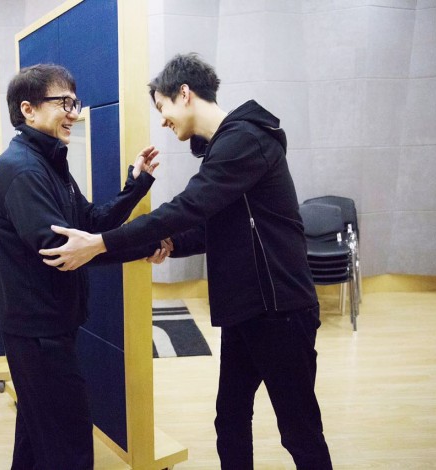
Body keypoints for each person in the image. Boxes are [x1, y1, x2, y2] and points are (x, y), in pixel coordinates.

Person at [38, 53, 333, 469]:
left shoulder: (245, 141)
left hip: (280, 310)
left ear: (185, 93)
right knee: (230, 420)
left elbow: (187, 208)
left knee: (299, 431)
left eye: (162, 107)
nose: (163, 120)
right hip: (248, 309)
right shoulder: (225, 146)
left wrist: (100, 243)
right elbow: (218, 228)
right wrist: (168, 244)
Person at [0, 63, 166, 470]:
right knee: (70, 447)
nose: (73, 112)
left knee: (37, 439)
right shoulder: (23, 170)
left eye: (74, 102)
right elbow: (64, 251)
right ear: (28, 109)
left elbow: (88, 224)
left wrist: (135, 186)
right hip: (38, 333)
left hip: (48, 327)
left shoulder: (48, 162)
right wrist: (144, 243)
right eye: (63, 103)